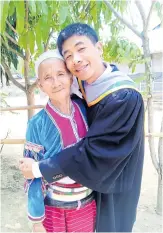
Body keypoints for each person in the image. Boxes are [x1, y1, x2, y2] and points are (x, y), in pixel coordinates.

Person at [19, 23, 145, 232]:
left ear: (99, 48)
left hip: (112, 185)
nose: (76, 59)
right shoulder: (81, 92)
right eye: (68, 55)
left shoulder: (122, 97)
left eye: (81, 48)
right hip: (66, 201)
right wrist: (36, 217)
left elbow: (95, 153)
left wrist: (38, 168)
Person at [23, 50, 96, 233]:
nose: (56, 82)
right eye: (48, 78)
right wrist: (37, 221)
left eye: (61, 74)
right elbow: (31, 175)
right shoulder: (37, 124)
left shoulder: (86, 109)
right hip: (53, 210)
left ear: (71, 77)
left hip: (87, 205)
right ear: (40, 85)